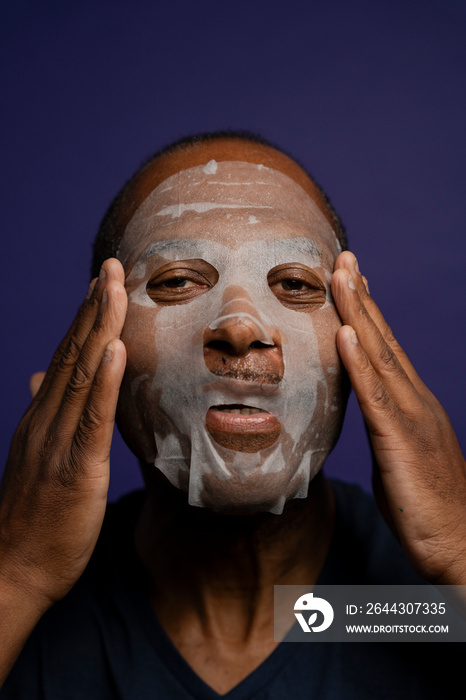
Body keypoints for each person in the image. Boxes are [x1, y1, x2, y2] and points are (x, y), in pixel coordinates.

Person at [0, 131, 465, 698]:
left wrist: (460, 553)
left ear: (363, 337)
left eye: (294, 283)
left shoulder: (404, 608)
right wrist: (17, 573)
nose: (241, 327)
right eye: (176, 281)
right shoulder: (35, 608)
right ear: (92, 346)